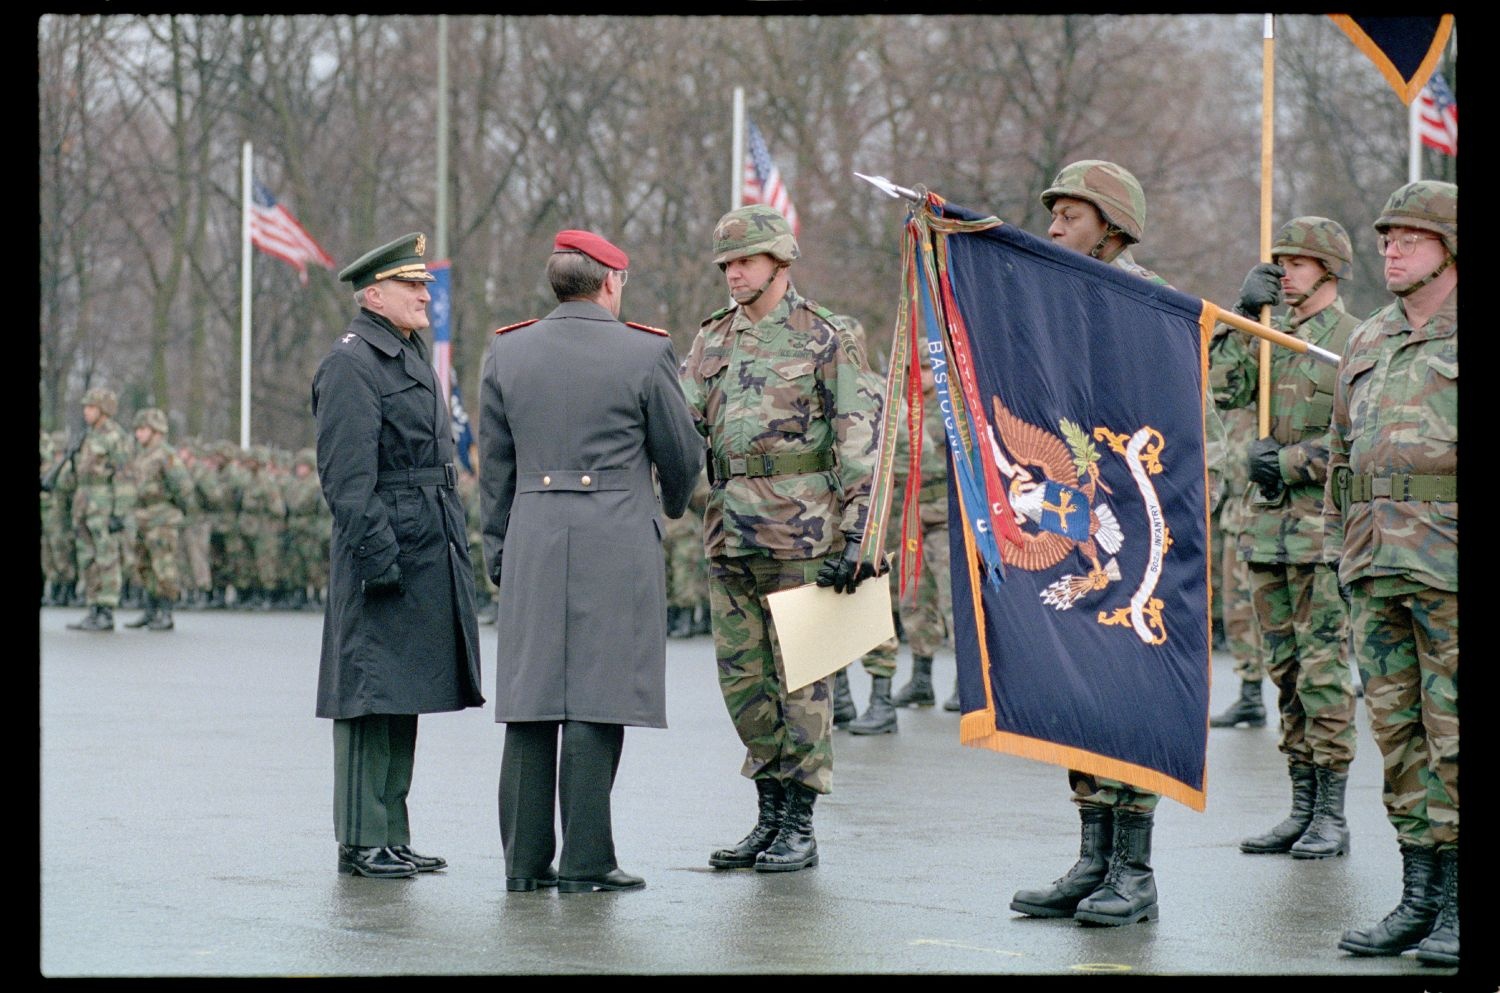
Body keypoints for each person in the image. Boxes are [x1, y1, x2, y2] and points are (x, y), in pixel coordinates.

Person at [1009, 160, 1225, 927]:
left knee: (1128, 687)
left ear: (1112, 224)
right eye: (1054, 214)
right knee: (1082, 685)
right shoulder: (1055, 300)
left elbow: (1184, 411)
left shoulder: (1151, 305)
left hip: (1137, 524)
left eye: (1070, 214)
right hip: (1077, 517)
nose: (1055, 227)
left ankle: (1135, 870)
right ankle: (1092, 857)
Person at [479, 229, 702, 894]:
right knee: (596, 697)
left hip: (533, 535)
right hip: (615, 534)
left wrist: (497, 546)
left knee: (531, 698)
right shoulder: (645, 350)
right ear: (610, 281)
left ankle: (523, 862)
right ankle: (587, 859)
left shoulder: (506, 350)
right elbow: (681, 452)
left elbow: (494, 465)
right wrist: (672, 502)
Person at [680, 204, 879, 873]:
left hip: (805, 535)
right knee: (745, 685)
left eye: (745, 261)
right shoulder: (711, 339)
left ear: (780, 260)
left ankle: (800, 822)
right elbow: (682, 425)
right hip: (728, 532)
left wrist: (859, 533)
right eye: (728, 264)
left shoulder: (826, 335)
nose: (734, 274)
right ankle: (768, 815)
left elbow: (859, 434)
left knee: (805, 684)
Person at [311, 231, 485, 879]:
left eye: (425, 286)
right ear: (373, 293)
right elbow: (347, 480)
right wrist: (378, 556)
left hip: (422, 543)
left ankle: (392, 830)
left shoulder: (403, 354)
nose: (424, 295)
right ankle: (361, 840)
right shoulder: (351, 362)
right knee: (367, 698)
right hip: (382, 551)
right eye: (412, 286)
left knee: (401, 693)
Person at [1327, 181, 1457, 965]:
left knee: (1456, 736)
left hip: (1447, 563)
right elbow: (1345, 449)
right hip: (1374, 562)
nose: (1391, 248)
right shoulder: (1370, 338)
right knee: (1401, 738)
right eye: (1386, 236)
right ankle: (1420, 897)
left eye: (1410, 236)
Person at [1210, 217, 1362, 860]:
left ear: (1329, 270)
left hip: (1323, 535)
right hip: (1265, 532)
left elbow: (1372, 437)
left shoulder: (1354, 340)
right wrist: (1241, 314)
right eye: (1279, 262)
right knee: (1286, 674)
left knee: (1325, 674)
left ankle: (1332, 814)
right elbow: (1224, 389)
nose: (1285, 272)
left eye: (1297, 262)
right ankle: (1300, 805)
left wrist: (1292, 461)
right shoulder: (1267, 334)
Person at [1207, 405, 1265, 728]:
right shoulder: (1231, 405)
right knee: (1237, 611)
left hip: (1271, 511)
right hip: (1235, 515)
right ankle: (1251, 694)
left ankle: (1300, 706)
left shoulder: (1269, 392)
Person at [65, 387, 135, 632]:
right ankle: (93, 606)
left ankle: (106, 609)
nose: (86, 411)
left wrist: (119, 511)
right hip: (83, 503)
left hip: (103, 504)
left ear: (103, 409)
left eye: (91, 407)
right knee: (87, 557)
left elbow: (124, 475)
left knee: (106, 557)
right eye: (86, 407)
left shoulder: (115, 437)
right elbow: (76, 472)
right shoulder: (87, 436)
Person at [124, 407, 193, 631]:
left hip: (162, 518)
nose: (138, 434)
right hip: (143, 518)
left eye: (143, 429)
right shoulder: (140, 454)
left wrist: (177, 512)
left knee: (164, 566)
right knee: (144, 566)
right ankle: (150, 610)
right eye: (137, 430)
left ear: (156, 431)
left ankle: (166, 612)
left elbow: (183, 488)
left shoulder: (166, 455)